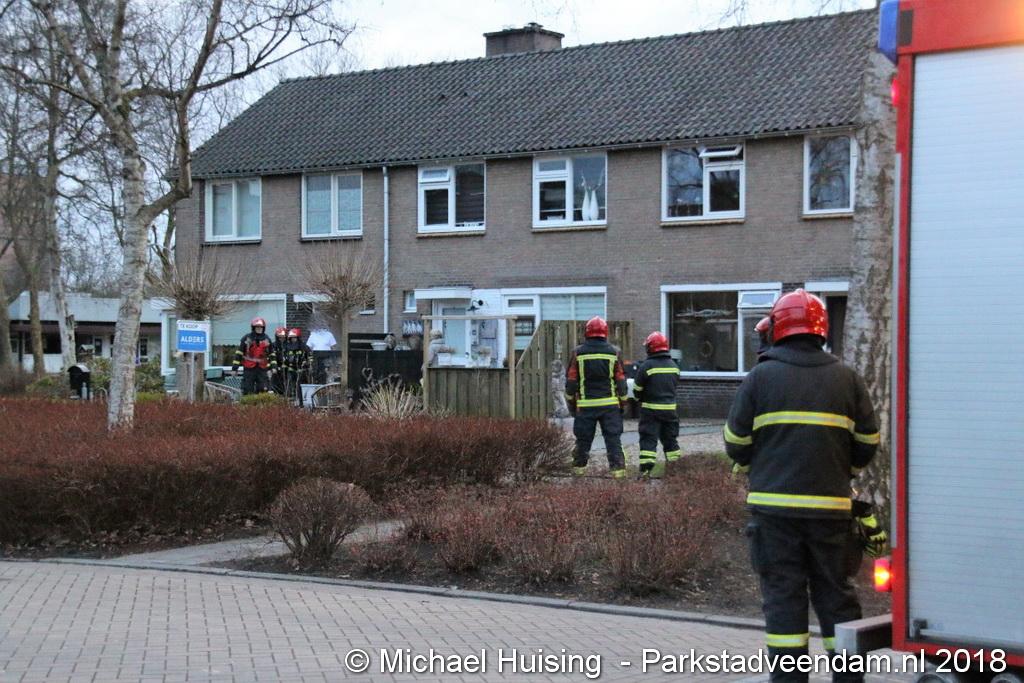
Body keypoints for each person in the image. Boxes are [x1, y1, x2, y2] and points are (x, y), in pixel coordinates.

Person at [723, 289, 879, 682]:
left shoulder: (759, 378)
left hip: (774, 515)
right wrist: (840, 469)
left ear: (778, 327)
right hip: (831, 513)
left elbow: (736, 442)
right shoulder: (848, 378)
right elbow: (867, 443)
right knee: (837, 598)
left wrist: (761, 460)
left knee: (784, 601)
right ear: (821, 329)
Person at [565, 316, 628, 479]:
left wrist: (571, 402)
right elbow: (621, 381)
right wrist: (623, 402)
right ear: (605, 333)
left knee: (583, 441)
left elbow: (571, 381)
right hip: (610, 406)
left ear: (587, 332)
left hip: (586, 406)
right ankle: (619, 476)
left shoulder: (578, 353)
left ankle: (578, 475)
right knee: (613, 440)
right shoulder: (614, 352)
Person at [633, 331, 681, 477]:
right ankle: (675, 470)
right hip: (670, 411)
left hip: (650, 411)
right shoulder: (674, 366)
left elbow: (637, 390)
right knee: (670, 440)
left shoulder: (647, 366)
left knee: (648, 440)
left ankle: (645, 471)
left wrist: (640, 399)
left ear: (651, 347)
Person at [231, 317, 277, 395]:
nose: (259, 329)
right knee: (247, 389)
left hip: (262, 368)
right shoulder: (247, 338)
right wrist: (235, 368)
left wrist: (274, 367)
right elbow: (239, 353)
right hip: (249, 368)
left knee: (263, 389)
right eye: (257, 327)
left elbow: (272, 354)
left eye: (261, 327)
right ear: (253, 328)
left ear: (263, 328)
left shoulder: (267, 339)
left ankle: (261, 403)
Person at [283, 328, 311, 405]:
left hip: (301, 370)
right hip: (291, 370)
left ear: (298, 338)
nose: (293, 340)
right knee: (289, 385)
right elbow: (284, 358)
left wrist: (306, 364)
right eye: (291, 338)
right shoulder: (287, 347)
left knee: (299, 386)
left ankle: (301, 402)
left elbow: (310, 357)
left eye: (294, 338)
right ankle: (290, 402)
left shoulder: (304, 347)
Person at [272, 326, 288, 394]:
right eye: (280, 337)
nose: (281, 339)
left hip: (287, 369)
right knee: (276, 385)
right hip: (277, 369)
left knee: (287, 385)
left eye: (283, 337)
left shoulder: (289, 345)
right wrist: (275, 367)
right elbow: (272, 357)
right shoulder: (273, 345)